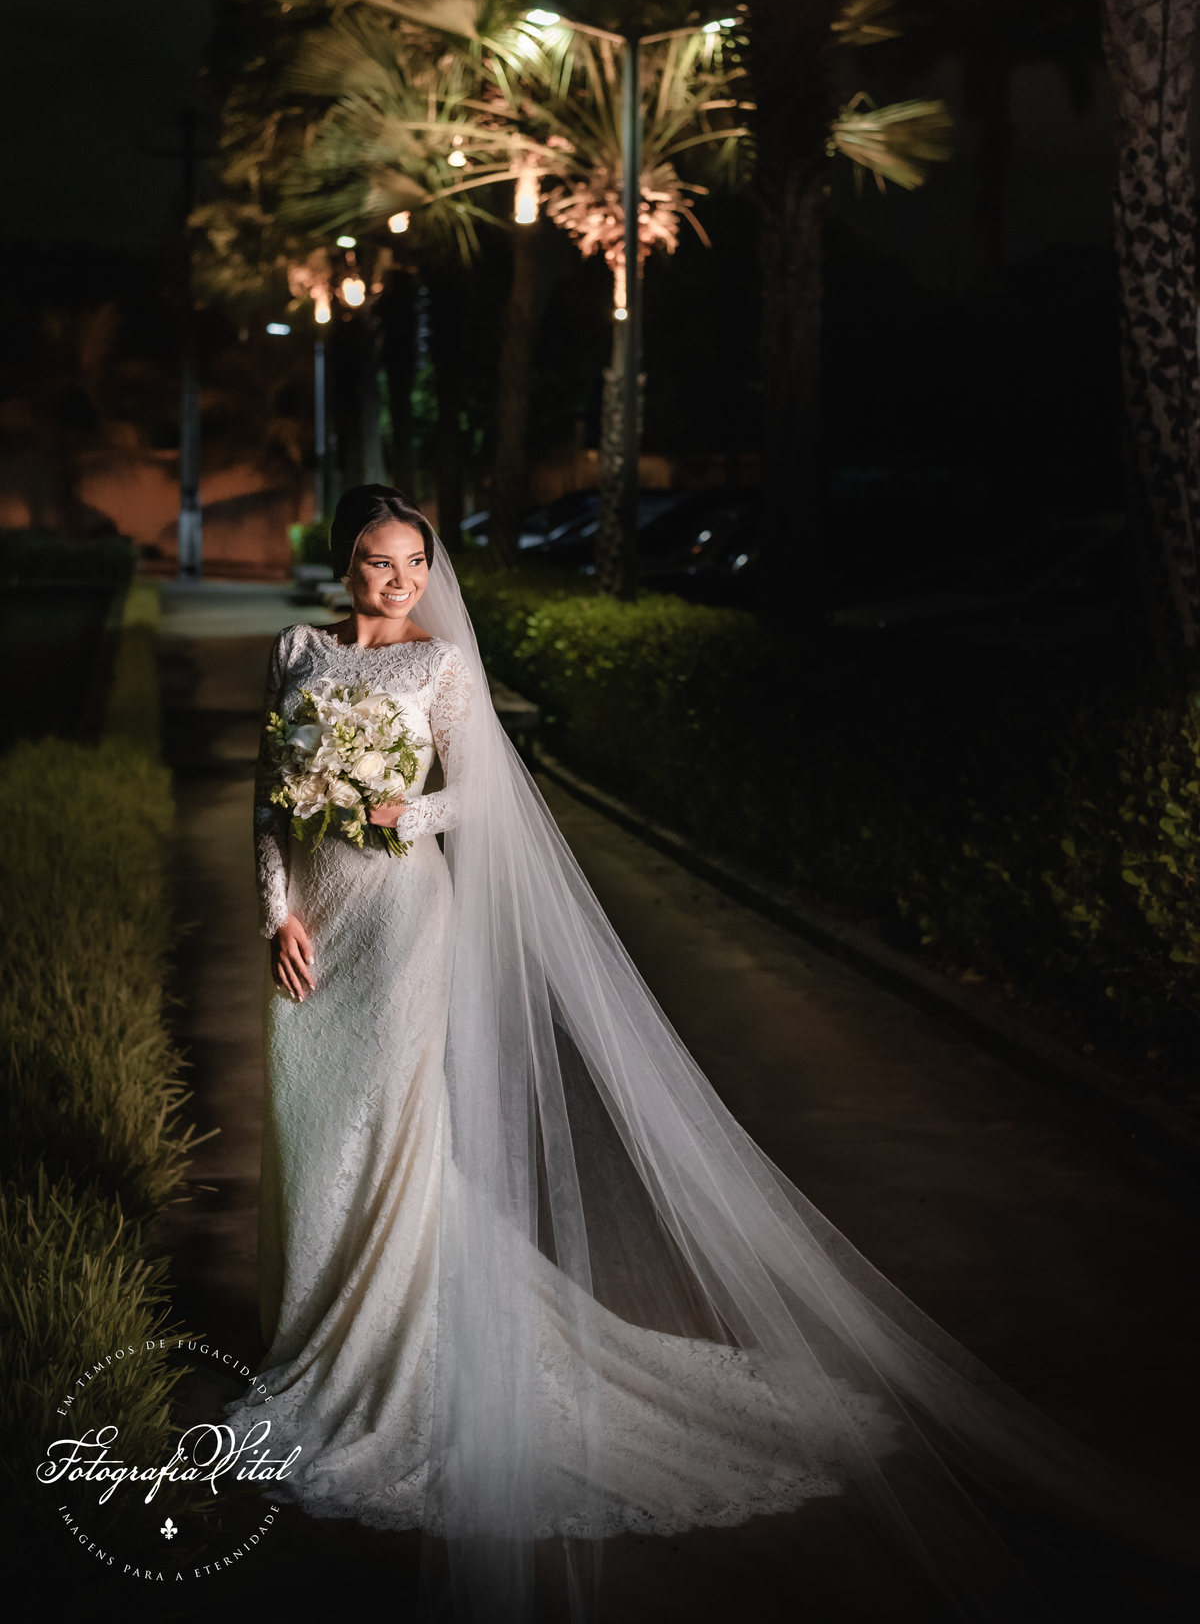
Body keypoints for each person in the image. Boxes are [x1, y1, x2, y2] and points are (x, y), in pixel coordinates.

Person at [228, 484, 1187, 1623]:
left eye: (411, 565)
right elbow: (267, 799)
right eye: (376, 563)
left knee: (387, 1121)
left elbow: (481, 788)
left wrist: (406, 817)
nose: (394, 582)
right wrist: (276, 912)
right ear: (345, 565)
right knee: (313, 1114)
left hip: (400, 920)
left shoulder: (437, 666)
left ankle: (382, 1341)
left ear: (430, 572)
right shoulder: (296, 650)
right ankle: (315, 1316)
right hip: (316, 926)